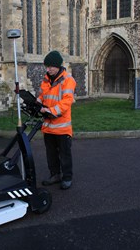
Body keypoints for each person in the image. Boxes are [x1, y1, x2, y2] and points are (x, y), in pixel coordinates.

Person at [37, 50, 77, 190]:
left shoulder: (68, 80)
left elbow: (66, 102)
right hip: (48, 126)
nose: (48, 69)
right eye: (46, 67)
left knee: (64, 155)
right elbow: (42, 95)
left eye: (50, 67)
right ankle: (55, 175)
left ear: (58, 65)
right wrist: (36, 102)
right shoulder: (46, 79)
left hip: (62, 126)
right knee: (51, 154)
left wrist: (51, 111)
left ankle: (67, 177)